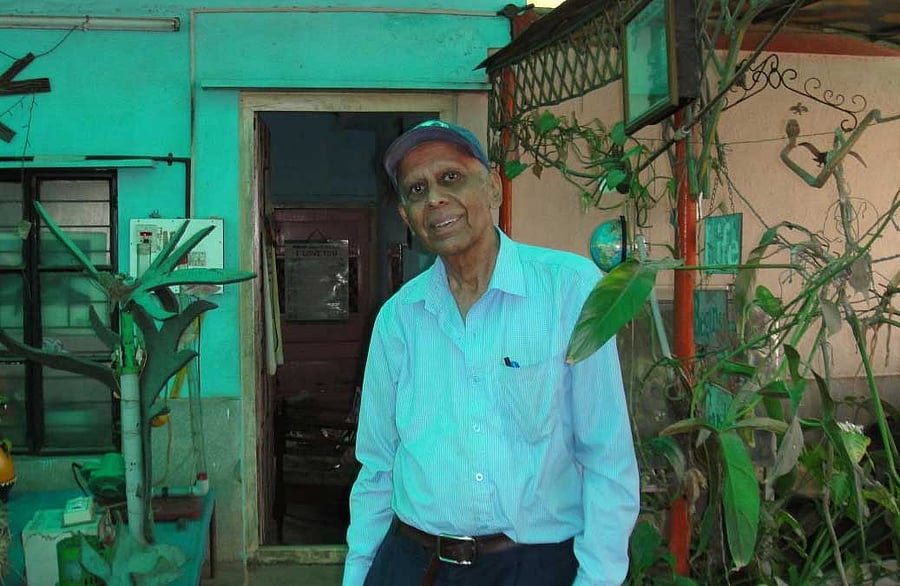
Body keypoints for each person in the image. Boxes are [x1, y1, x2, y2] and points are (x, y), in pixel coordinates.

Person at [342, 120, 639, 586]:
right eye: (417, 189)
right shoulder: (399, 319)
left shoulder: (570, 289)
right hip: (413, 564)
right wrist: (358, 574)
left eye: (451, 178)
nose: (435, 198)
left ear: (494, 187)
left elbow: (607, 457)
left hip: (533, 566)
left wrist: (598, 578)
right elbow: (378, 465)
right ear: (406, 215)